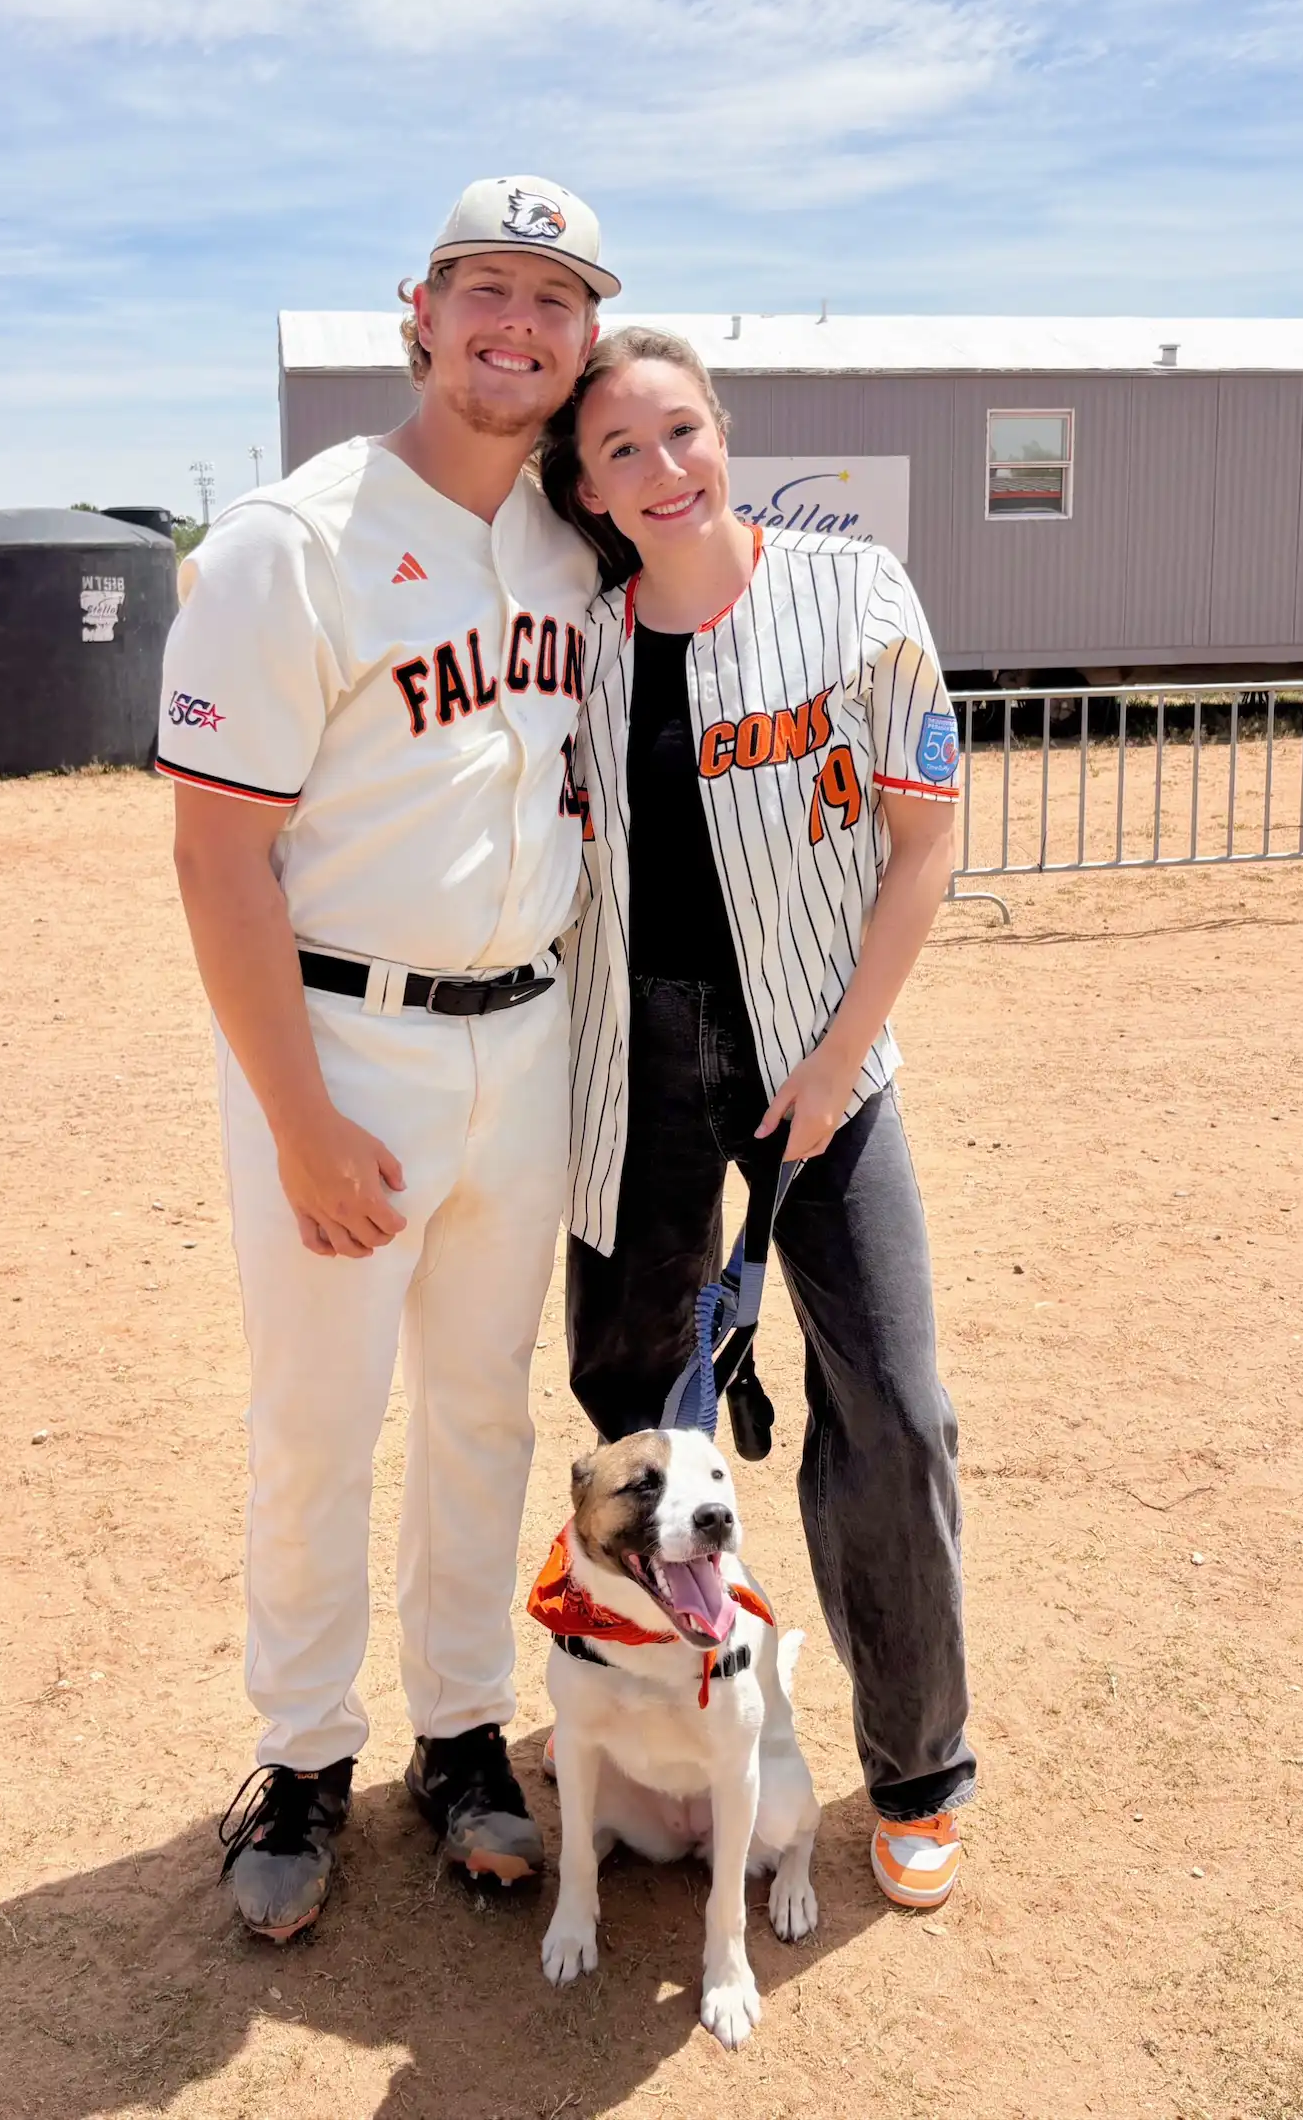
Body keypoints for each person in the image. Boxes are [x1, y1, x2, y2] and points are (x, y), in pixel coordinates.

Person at [159, 177, 617, 1941]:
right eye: (487, 289)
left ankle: (458, 1730)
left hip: (530, 1027)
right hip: (345, 1038)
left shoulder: (579, 547)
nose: (520, 326)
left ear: (587, 339)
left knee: (486, 1410)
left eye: (557, 301)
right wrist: (299, 1120)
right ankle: (294, 1752)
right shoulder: (296, 537)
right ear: (415, 310)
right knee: (322, 1414)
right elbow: (215, 855)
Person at [542, 325, 975, 1910]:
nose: (664, 471)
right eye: (621, 452)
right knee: (636, 1412)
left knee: (895, 1406)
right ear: (586, 490)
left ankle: (919, 1766)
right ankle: (653, 1725)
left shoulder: (849, 594)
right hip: (633, 1064)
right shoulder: (576, 642)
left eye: (682, 432)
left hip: (825, 1053)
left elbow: (925, 839)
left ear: (727, 432)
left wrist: (836, 1050)